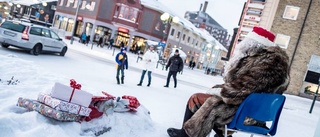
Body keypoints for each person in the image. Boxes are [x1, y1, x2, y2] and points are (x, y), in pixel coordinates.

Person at [167, 26, 290, 137]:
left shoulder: (267, 63)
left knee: (199, 99)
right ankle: (222, 135)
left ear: (254, 44)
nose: (243, 45)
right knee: (212, 102)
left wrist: (219, 90)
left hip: (245, 113)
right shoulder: (276, 63)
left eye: (246, 42)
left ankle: (186, 134)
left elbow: (240, 89)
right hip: (257, 112)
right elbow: (246, 86)